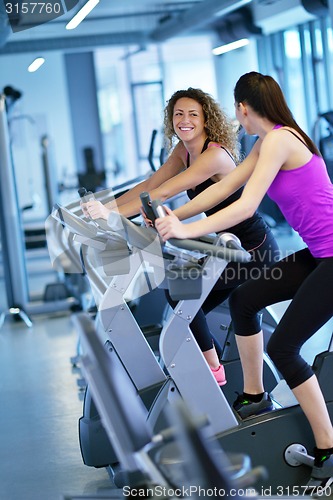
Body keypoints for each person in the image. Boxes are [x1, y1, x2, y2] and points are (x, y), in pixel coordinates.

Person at [155, 72, 333, 487]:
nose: (239, 122)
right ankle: (255, 395)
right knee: (246, 299)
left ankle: (328, 448)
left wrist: (186, 230)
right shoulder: (266, 143)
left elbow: (246, 205)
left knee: (285, 348)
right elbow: (225, 188)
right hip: (318, 254)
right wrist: (171, 218)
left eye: (239, 114)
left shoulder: (279, 140)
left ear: (242, 107)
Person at [84, 87, 279, 387]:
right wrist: (107, 209)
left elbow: (163, 193)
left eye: (192, 115)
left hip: (254, 248)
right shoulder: (183, 151)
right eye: (178, 114)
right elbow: (151, 184)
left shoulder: (214, 155)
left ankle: (213, 370)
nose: (184, 120)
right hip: (227, 246)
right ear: (170, 119)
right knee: (186, 303)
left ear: (205, 119)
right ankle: (213, 368)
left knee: (181, 292)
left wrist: (112, 216)